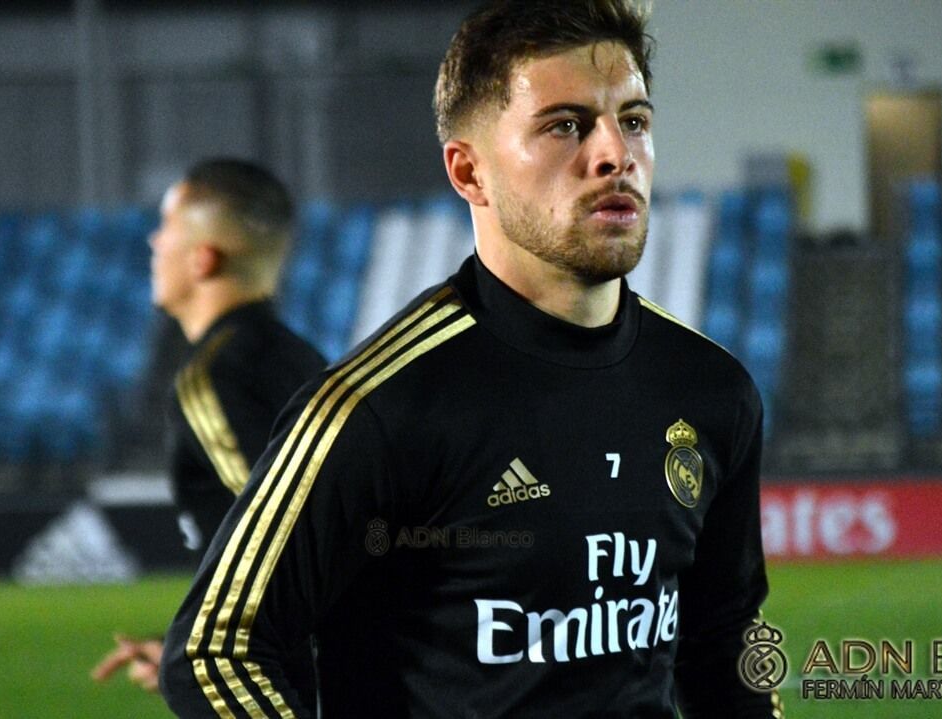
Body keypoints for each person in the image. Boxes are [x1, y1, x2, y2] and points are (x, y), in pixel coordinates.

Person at [161, 2, 780, 717]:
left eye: (634, 120)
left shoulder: (712, 388)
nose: (616, 153)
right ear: (469, 171)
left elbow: (724, 638)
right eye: (566, 126)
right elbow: (218, 649)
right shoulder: (378, 406)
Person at [91, 159, 325, 702]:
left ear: (203, 258)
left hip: (283, 679)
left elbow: (290, 536)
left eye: (166, 226)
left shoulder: (213, 378)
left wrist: (203, 653)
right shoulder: (301, 358)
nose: (153, 241)